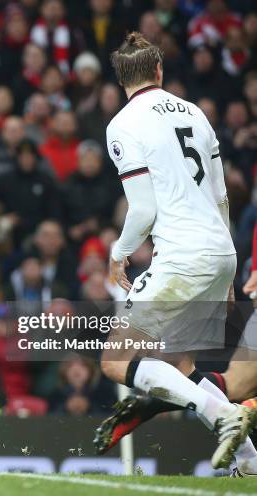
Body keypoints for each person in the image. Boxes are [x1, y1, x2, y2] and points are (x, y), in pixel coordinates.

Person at [95, 32, 257, 473]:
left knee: (115, 360)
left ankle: (223, 414)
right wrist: (229, 269)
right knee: (180, 364)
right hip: (220, 250)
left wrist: (120, 251)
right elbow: (222, 194)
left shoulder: (123, 125)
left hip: (182, 254)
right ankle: (249, 461)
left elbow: (143, 207)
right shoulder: (196, 113)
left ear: (120, 78)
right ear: (159, 70)